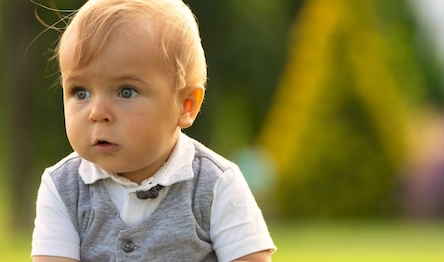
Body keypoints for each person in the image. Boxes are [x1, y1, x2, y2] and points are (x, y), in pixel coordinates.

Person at [30, 0, 276, 261]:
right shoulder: (63, 188)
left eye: (126, 91)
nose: (96, 112)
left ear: (186, 105)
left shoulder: (216, 185)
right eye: (81, 92)